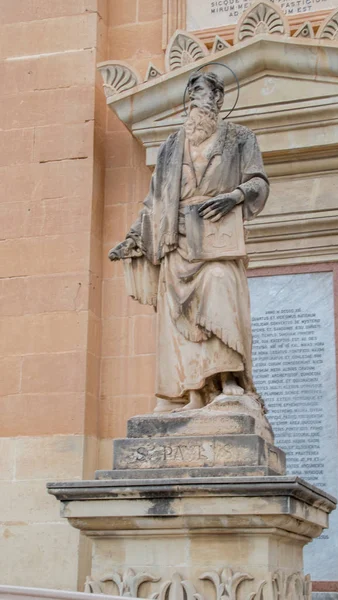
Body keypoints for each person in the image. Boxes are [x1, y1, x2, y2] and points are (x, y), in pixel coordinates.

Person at [109, 70, 269, 412]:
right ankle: (193, 391)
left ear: (219, 100)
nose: (200, 100)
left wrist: (236, 196)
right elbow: (154, 202)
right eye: (194, 93)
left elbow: (259, 182)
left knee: (220, 287)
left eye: (207, 93)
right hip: (176, 242)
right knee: (177, 317)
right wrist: (134, 239)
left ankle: (229, 380)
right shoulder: (170, 147)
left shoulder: (240, 138)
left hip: (217, 237)